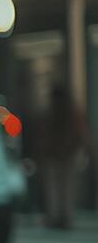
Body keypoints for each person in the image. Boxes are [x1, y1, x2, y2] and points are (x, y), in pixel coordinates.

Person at [38, 83, 88, 231]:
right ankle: (65, 216)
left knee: (53, 187)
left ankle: (55, 216)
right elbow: (81, 132)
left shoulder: (50, 111)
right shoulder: (72, 111)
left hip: (54, 153)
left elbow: (43, 134)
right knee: (67, 187)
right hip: (67, 152)